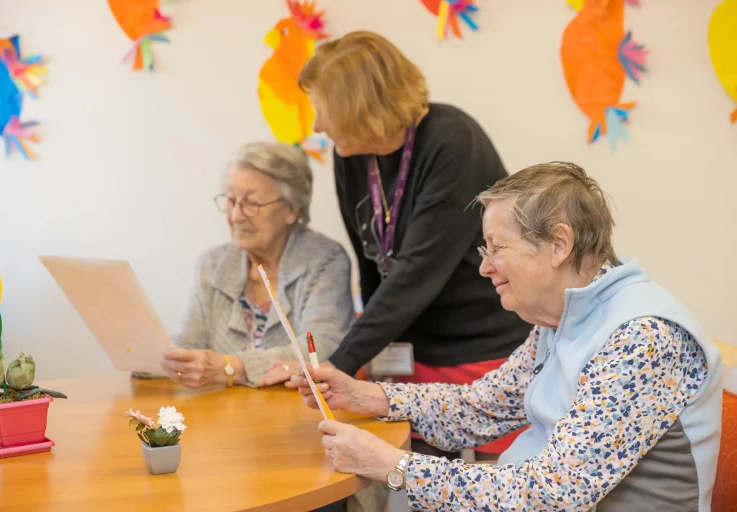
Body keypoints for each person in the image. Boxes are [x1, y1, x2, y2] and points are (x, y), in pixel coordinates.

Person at [290, 162, 723, 511]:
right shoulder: (561, 320)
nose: (484, 267)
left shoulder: (642, 338)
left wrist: (394, 467)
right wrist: (372, 397)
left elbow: (554, 495)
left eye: (497, 248)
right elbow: (481, 409)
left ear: (558, 245)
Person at [282, 29, 532, 461]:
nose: (318, 125)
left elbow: (417, 272)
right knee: (426, 488)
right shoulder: (351, 153)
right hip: (414, 350)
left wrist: (340, 363)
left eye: (324, 110)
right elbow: (371, 262)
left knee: (497, 488)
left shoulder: (452, 140)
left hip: (485, 349)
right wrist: (364, 358)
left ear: (359, 106)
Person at [160, 141, 355, 389]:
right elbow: (187, 343)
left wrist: (234, 368)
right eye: (231, 201)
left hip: (297, 419)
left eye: (252, 203)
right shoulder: (213, 264)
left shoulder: (325, 261)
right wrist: (158, 357)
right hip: (220, 416)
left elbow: (321, 349)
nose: (236, 216)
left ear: (292, 209)